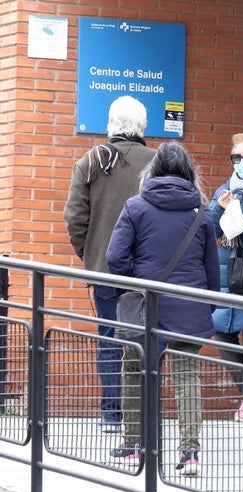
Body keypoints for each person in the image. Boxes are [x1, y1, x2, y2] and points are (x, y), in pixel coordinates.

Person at [106, 141, 220, 475]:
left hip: (146, 304)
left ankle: (133, 444)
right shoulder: (202, 212)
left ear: (154, 170)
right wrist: (207, 304)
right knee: (187, 377)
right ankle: (190, 453)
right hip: (189, 305)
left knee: (134, 372)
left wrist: (133, 282)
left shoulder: (135, 206)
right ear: (188, 172)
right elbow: (212, 268)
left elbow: (115, 257)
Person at [64, 95, 156, 433]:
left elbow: (74, 217)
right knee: (145, 339)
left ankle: (113, 415)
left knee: (110, 338)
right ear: (143, 126)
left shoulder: (91, 161)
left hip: (104, 268)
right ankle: (142, 413)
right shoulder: (157, 161)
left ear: (111, 124)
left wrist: (90, 254)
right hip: (148, 272)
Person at [208, 133, 243, 422]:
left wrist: (238, 213)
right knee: (222, 336)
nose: (242, 163)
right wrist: (219, 208)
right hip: (226, 275)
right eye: (237, 158)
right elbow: (209, 230)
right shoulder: (224, 190)